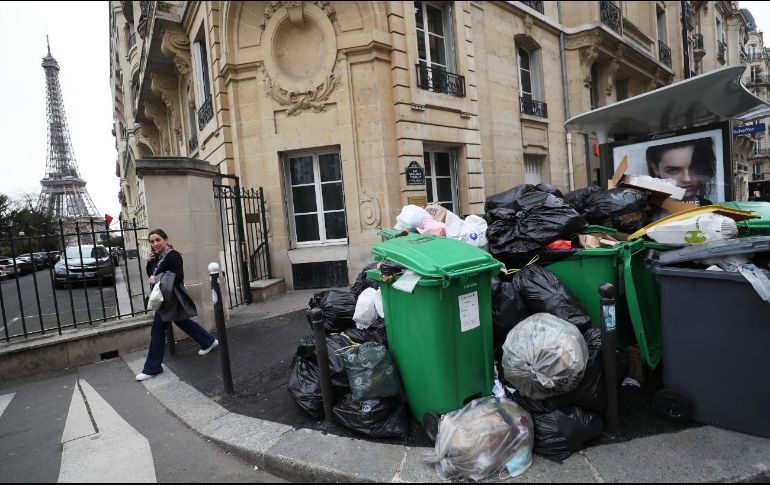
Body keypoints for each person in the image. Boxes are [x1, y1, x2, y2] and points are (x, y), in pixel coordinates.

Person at [135, 229, 218, 381]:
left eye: (158, 240)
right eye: (152, 242)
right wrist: (150, 262)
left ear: (165, 239)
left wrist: (156, 278)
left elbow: (178, 275)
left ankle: (152, 368)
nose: (155, 244)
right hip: (166, 297)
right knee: (183, 321)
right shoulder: (159, 257)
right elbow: (150, 274)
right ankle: (208, 341)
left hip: (170, 297)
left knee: (157, 332)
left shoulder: (173, 255)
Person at [646, 137, 716, 205]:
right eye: (673, 170)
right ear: (655, 169)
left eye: (695, 168)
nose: (687, 179)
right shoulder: (642, 210)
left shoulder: (711, 209)